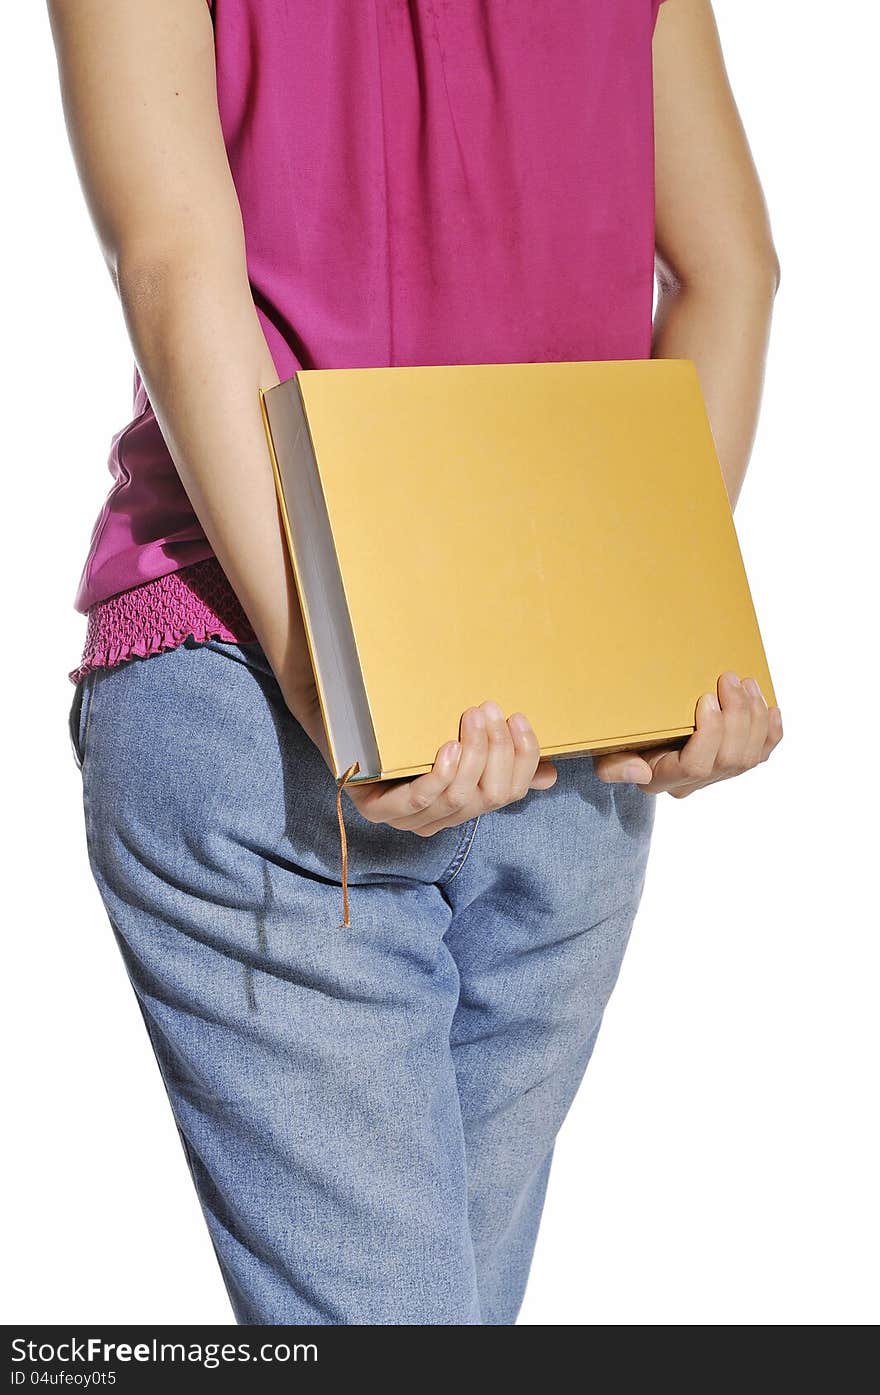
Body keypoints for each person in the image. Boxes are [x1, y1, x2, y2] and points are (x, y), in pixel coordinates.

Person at [54, 0, 783, 1325]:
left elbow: (173, 266)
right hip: (542, 718)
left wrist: (336, 681)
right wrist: (643, 632)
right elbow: (734, 271)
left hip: (255, 681)